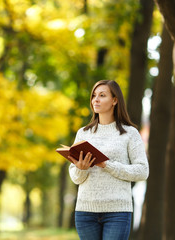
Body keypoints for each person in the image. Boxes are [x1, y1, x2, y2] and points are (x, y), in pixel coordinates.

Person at [68, 80, 149, 240]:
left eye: (102, 95)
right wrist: (81, 168)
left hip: (117, 211)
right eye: (94, 96)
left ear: (115, 100)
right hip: (86, 211)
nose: (95, 100)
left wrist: (107, 165)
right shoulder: (83, 133)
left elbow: (142, 171)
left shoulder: (130, 133)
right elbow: (76, 178)